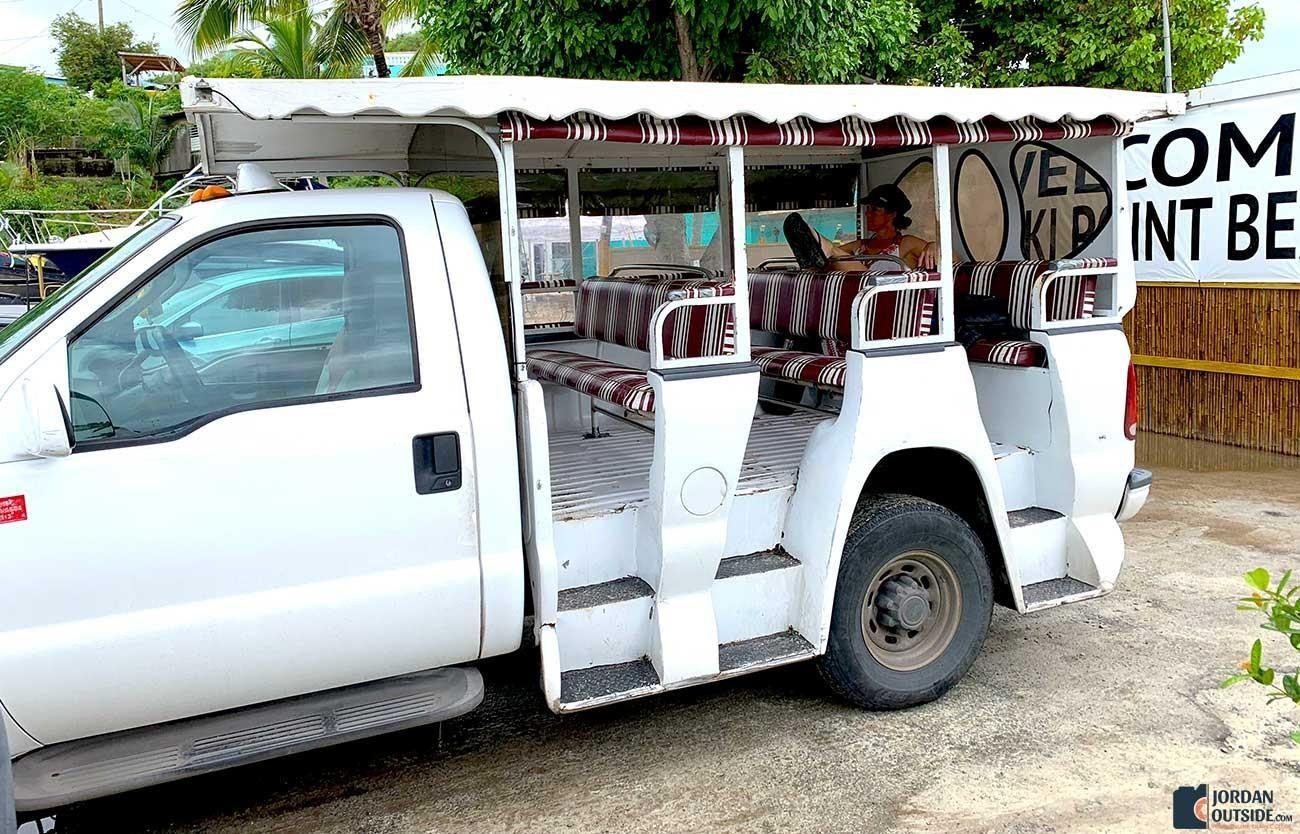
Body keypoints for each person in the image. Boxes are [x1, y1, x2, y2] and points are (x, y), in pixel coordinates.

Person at [783, 184, 938, 272]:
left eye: (874, 210)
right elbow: (821, 256)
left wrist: (935, 246)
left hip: (887, 300)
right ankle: (815, 256)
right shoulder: (861, 245)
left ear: (892, 214)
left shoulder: (907, 243)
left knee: (834, 252)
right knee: (830, 258)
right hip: (858, 301)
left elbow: (956, 261)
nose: (867, 214)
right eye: (868, 209)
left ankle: (824, 245)